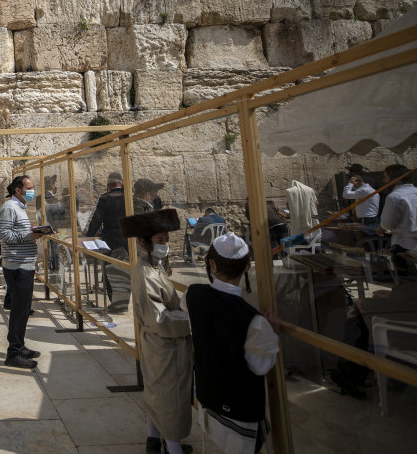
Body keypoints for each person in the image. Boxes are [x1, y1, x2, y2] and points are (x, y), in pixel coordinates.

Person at [186, 233, 280, 453]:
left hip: (208, 400)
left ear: (211, 264)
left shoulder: (193, 295)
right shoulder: (253, 320)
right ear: (247, 267)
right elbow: (260, 367)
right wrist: (272, 335)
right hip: (238, 412)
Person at [118, 209, 193, 454]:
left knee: (156, 393)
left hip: (158, 344)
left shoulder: (153, 266)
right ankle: (173, 449)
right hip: (164, 344)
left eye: (167, 240)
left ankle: (154, 439)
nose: (166, 245)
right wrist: (191, 318)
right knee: (169, 400)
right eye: (160, 240)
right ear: (144, 242)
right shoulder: (147, 274)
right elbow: (160, 318)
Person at [0, 175, 45, 369]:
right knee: (19, 311)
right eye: (30, 187)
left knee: (23, 310)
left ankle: (20, 346)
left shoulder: (19, 207)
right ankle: (14, 353)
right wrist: (29, 235)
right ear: (18, 190)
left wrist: (33, 232)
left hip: (24, 265)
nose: (32, 191)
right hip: (17, 267)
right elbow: (4, 235)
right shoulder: (9, 208)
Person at [377, 164, 417, 276]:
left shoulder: (394, 197)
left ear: (393, 179)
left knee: (404, 278)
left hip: (407, 245)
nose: (384, 181)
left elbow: (387, 224)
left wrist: (381, 228)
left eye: (385, 178)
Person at [86, 172, 127, 258]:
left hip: (110, 239)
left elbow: (96, 220)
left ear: (108, 185)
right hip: (126, 238)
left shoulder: (105, 198)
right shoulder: (128, 197)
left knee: (109, 266)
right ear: (122, 182)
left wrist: (88, 236)